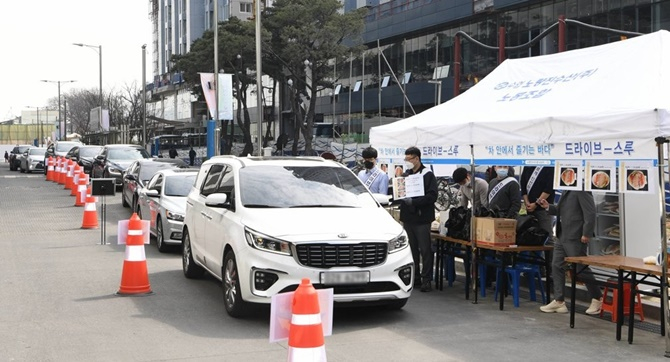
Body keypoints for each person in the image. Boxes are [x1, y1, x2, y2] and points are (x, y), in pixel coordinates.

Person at [538, 191, 603, 315]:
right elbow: (562, 210)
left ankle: (597, 297)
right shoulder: (566, 189)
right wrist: (548, 207)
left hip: (576, 235)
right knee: (556, 265)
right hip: (562, 234)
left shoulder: (582, 189)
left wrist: (586, 233)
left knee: (581, 267)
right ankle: (559, 300)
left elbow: (590, 212)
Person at [397, 146, 438, 292]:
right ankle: (416, 278)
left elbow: (433, 196)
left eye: (409, 159)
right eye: (406, 159)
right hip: (408, 218)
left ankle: (427, 279)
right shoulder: (406, 174)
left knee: (425, 249)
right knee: (412, 249)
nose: (407, 162)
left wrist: (415, 202)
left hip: (422, 218)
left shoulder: (428, 175)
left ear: (417, 159)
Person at [520, 166, 555, 234]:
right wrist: (526, 202)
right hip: (529, 208)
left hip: (544, 209)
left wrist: (536, 204)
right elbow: (523, 186)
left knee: (547, 235)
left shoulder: (549, 167)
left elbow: (548, 189)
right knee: (530, 234)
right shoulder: (527, 166)